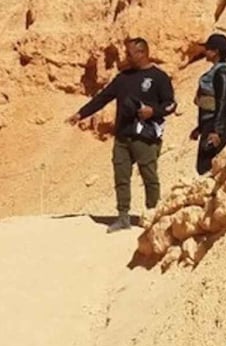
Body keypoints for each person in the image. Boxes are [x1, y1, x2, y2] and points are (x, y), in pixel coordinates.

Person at [67, 38, 177, 232]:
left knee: (149, 174)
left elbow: (170, 104)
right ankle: (123, 217)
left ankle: (153, 213)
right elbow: (103, 98)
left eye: (130, 53)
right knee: (121, 176)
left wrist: (153, 111)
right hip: (123, 135)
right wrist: (80, 114)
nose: (125, 57)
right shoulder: (123, 77)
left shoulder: (158, 77)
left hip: (145, 136)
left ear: (142, 52)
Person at [191, 33, 226, 176]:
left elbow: (222, 101)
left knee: (208, 166)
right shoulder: (214, 71)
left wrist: (216, 130)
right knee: (204, 166)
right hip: (210, 123)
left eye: (208, 49)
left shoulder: (222, 72)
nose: (205, 52)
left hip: (219, 123)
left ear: (216, 51)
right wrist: (200, 127)